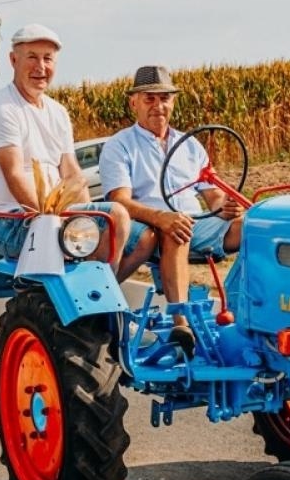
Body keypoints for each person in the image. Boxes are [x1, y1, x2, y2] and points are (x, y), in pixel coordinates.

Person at [0, 23, 145, 278]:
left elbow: (72, 174)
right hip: (12, 221)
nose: (40, 67)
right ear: (13, 60)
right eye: (32, 57)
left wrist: (88, 214)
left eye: (48, 59)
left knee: (145, 236)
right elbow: (14, 175)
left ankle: (98, 295)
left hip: (56, 215)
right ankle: (94, 298)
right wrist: (53, 222)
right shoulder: (1, 109)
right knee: (117, 214)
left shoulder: (58, 112)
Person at [100, 64, 243, 355]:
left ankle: (244, 312)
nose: (158, 106)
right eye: (149, 98)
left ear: (173, 101)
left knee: (256, 227)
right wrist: (162, 218)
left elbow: (212, 195)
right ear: (134, 103)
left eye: (164, 98)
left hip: (194, 221)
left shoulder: (189, 146)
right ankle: (182, 324)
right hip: (147, 224)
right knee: (177, 228)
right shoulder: (120, 145)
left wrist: (224, 206)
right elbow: (120, 201)